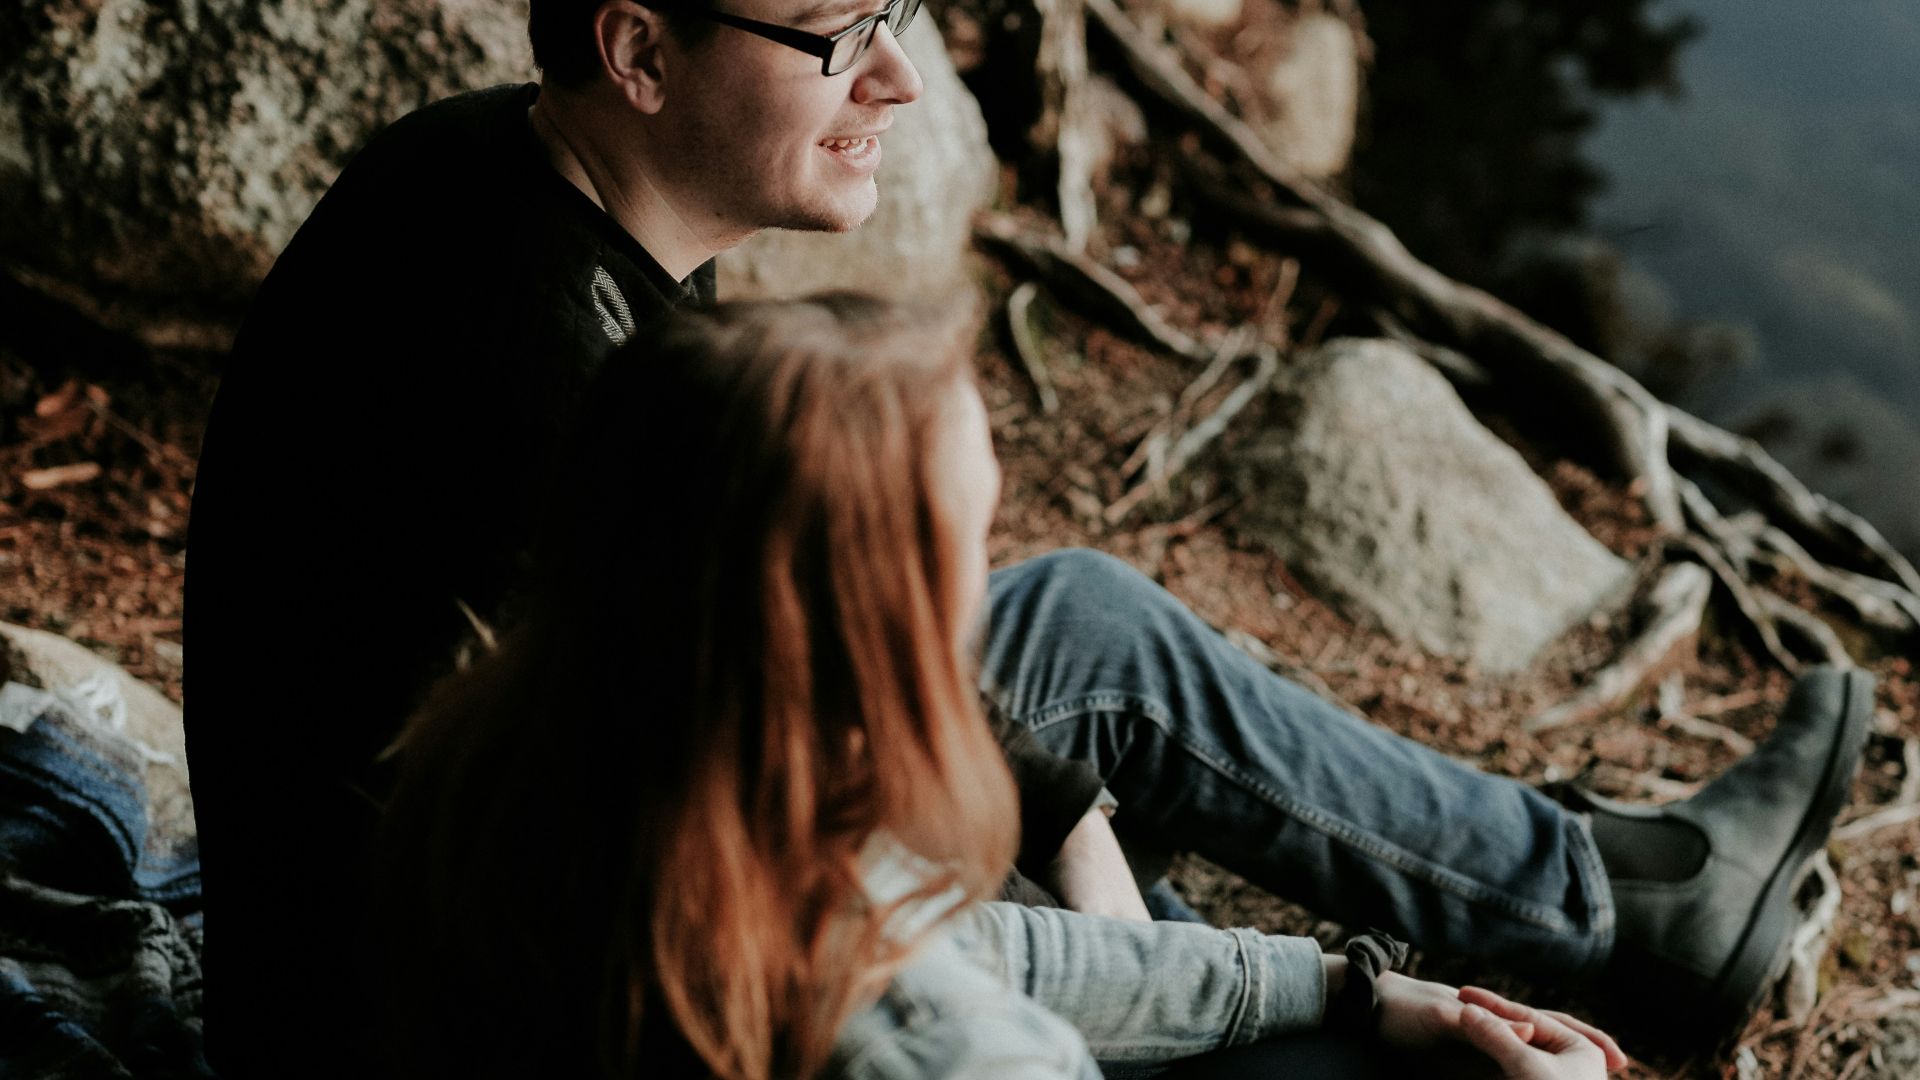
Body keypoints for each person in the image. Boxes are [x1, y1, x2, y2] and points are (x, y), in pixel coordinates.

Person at [183, 0, 1875, 1075]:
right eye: (837, 34)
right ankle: (1623, 915)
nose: (900, 77)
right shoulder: (525, 366)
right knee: (1113, 736)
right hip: (423, 1001)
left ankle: (1622, 898)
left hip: (559, 873)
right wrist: (1149, 921)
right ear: (639, 51)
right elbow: (780, 890)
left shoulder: (518, 186)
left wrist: (1070, 823)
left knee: (1072, 629)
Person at [371, 292, 1626, 1080]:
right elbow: (940, 990)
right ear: (876, 629)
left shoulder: (544, 777)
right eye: (974, 543)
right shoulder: (917, 1041)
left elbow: (960, 940)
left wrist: (1340, 984)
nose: (993, 583)